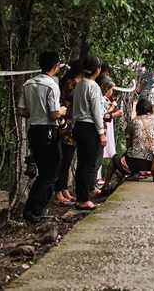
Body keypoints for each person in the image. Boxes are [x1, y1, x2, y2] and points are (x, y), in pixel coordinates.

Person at [17, 50, 68, 223]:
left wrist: (35, 113)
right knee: (52, 173)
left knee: (43, 172)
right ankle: (37, 210)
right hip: (48, 131)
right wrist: (60, 111)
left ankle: (30, 209)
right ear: (56, 66)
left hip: (34, 130)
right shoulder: (51, 85)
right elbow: (54, 114)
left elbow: (21, 110)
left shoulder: (28, 83)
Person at [103, 98, 154, 192]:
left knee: (115, 158)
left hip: (135, 163)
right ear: (151, 110)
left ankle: (106, 185)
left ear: (137, 111)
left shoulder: (134, 121)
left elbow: (128, 145)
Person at [71, 55, 107, 209]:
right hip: (89, 127)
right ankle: (83, 198)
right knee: (88, 164)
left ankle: (85, 192)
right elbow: (96, 111)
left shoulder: (79, 84)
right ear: (97, 70)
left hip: (78, 125)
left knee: (83, 164)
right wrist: (101, 133)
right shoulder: (93, 86)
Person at [55, 59, 82, 206]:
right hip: (67, 126)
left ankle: (64, 189)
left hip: (73, 124)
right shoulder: (72, 84)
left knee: (68, 159)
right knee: (64, 160)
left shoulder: (75, 83)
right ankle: (58, 191)